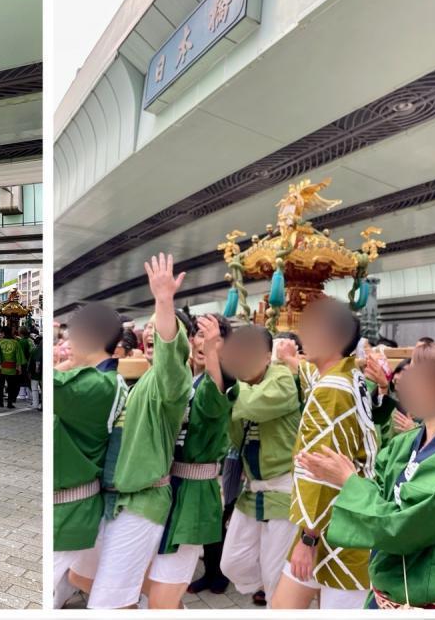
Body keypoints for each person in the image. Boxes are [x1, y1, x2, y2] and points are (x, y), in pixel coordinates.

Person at [313, 343, 435, 608]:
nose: (404, 382)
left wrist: (348, 481)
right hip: (388, 594)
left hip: (434, 602)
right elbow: (380, 490)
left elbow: (403, 527)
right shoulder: (406, 442)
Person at [75, 255, 192, 609]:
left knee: (107, 602)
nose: (153, 343)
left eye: (161, 337)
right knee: (79, 575)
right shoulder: (132, 382)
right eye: (149, 338)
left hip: (140, 501)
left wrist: (163, 300)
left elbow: (172, 359)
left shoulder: (169, 384)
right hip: (108, 500)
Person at [269, 297, 378, 609]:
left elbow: (321, 470)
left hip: (335, 527)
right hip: (344, 517)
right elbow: (314, 376)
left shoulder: (332, 389)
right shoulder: (347, 377)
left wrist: (308, 538)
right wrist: (293, 361)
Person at [146, 312, 230, 609]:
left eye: (214, 338)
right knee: (156, 586)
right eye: (198, 334)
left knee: (165, 588)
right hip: (167, 488)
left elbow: (216, 393)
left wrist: (213, 351)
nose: (202, 341)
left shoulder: (216, 382)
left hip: (195, 491)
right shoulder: (182, 380)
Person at [217, 325, 301, 605]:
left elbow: (253, 405)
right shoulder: (242, 386)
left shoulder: (283, 378)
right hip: (251, 491)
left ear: (268, 357)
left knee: (274, 577)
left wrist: (227, 383)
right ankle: (284, 588)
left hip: (284, 490)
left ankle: (284, 595)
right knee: (231, 563)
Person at [53, 301, 126, 608]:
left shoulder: (96, 384)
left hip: (69, 508)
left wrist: (59, 365)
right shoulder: (103, 380)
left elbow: (53, 386)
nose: (66, 344)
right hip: (75, 505)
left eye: (70, 337)